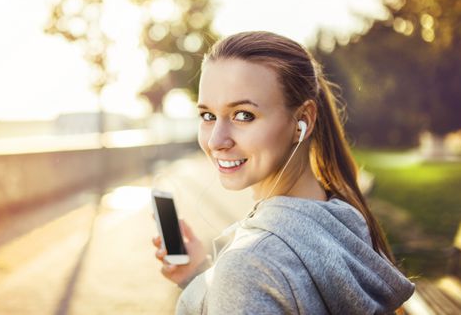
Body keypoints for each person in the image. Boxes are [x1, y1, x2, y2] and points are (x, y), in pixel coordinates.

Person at [151, 31, 415, 314]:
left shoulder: (247, 267)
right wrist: (201, 278)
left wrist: (226, 282)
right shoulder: (343, 217)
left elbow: (256, 280)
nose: (216, 141)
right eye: (208, 116)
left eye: (243, 115)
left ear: (303, 120)